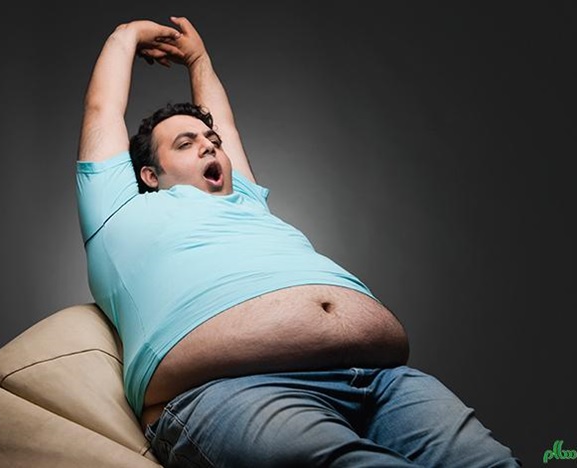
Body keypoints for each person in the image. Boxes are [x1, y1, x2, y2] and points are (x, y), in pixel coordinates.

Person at [76, 16, 521, 467]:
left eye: (211, 141)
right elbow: (102, 110)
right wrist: (127, 35)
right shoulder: (120, 211)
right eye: (186, 144)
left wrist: (198, 59)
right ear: (149, 175)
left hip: (381, 378)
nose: (209, 147)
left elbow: (225, 125)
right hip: (234, 390)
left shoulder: (244, 198)